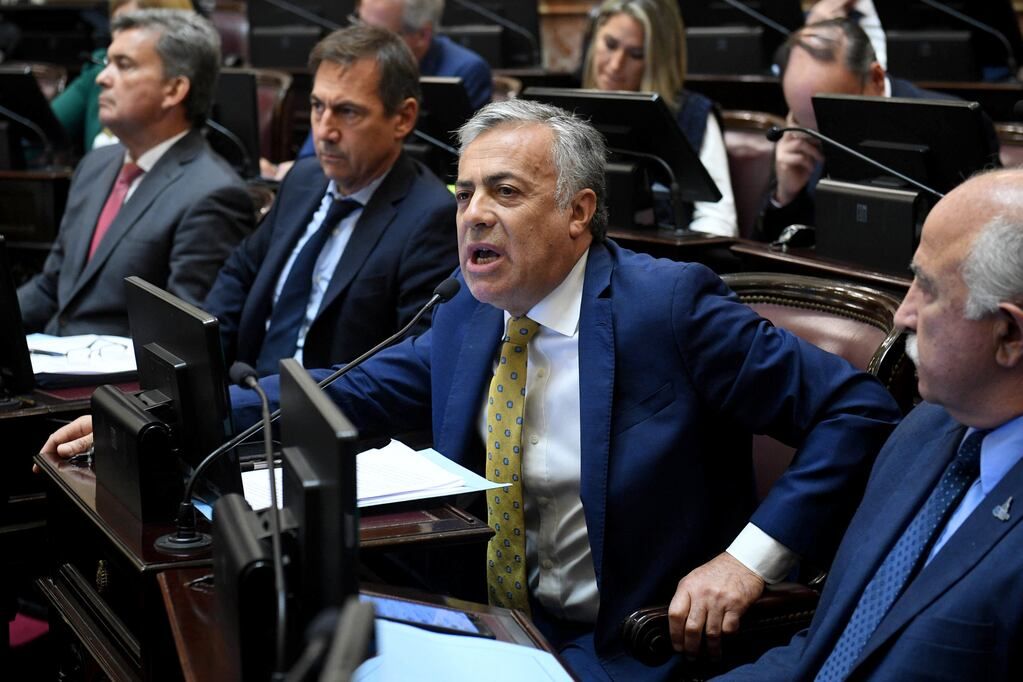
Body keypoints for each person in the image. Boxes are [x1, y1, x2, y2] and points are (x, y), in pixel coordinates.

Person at [223, 99, 899, 679]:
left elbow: (857, 411)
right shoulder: (470, 309)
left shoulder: (667, 309)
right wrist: (181, 408)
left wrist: (745, 560)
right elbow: (352, 390)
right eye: (464, 195)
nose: (473, 216)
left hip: (628, 645)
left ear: (577, 212)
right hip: (483, 629)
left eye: (505, 192)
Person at [719, 169, 1023, 680]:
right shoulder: (923, 431)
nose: (903, 314)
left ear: (1009, 334)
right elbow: (825, 648)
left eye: (927, 290)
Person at [202, 24, 456, 375]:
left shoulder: (430, 218)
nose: (324, 131)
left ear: (403, 118)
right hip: (244, 394)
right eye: (317, 106)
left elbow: (405, 367)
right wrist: (199, 376)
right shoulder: (303, 179)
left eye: (348, 112)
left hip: (324, 414)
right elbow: (238, 276)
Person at [17, 10, 252, 337]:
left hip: (116, 383)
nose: (102, 78)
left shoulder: (212, 193)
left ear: (174, 90)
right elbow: (51, 286)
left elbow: (183, 338)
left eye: (124, 65)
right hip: (51, 366)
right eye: (107, 63)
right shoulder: (95, 165)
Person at [755, 17, 999, 243]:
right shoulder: (796, 139)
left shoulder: (957, 124)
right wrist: (785, 197)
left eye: (831, 120)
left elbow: (989, 238)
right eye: (802, 121)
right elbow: (769, 248)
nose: (817, 136)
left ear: (876, 78)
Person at [264, 0, 493, 178]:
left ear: (422, 35)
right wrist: (294, 171)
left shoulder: (465, 69)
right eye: (359, 23)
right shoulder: (353, 64)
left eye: (378, 34)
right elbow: (311, 155)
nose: (362, 40)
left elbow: (465, 162)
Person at [581, 0, 737, 237]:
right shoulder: (572, 109)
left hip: (662, 262)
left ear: (659, 61)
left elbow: (717, 220)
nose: (615, 65)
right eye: (610, 45)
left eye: (636, 54)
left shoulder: (693, 114)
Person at [50, 0, 195, 154]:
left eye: (130, 25)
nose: (103, 78)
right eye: (116, 25)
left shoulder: (188, 74)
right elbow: (40, 133)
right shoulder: (99, 67)